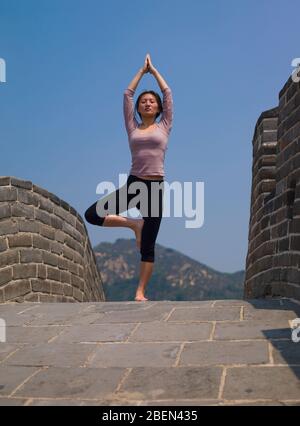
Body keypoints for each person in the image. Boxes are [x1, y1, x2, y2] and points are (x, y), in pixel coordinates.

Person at [84, 53, 173, 301]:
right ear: (138, 107)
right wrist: (140, 71)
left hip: (155, 189)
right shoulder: (132, 127)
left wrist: (154, 71)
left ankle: (140, 292)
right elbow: (126, 95)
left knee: (148, 247)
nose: (147, 103)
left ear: (158, 108)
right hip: (135, 184)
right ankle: (134, 224)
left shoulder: (164, 125)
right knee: (92, 214)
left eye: (151, 101)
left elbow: (168, 93)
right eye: (143, 101)